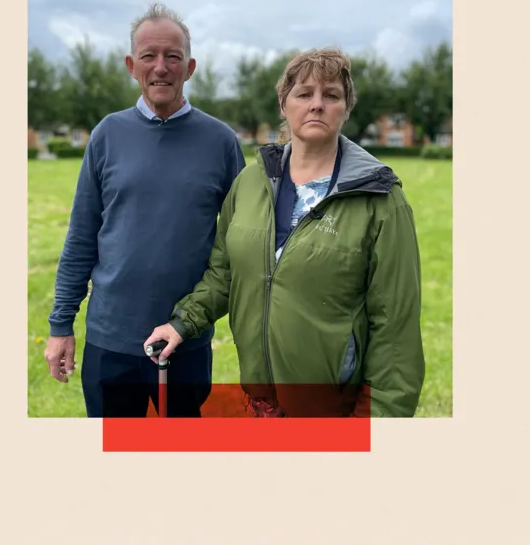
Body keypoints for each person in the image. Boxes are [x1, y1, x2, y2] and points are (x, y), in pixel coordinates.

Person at [144, 47, 425, 418]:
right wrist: (183, 322)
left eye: (332, 95)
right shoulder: (251, 181)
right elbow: (224, 273)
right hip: (263, 406)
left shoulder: (380, 198)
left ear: (346, 107)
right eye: (304, 93)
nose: (317, 105)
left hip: (333, 412)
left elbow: (396, 335)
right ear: (283, 103)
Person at [43, 3, 246, 418]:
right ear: (131, 65)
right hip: (110, 340)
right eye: (149, 56)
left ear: (189, 67)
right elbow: (82, 235)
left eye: (172, 57)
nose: (161, 67)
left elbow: (241, 241)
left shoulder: (221, 142)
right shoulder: (106, 135)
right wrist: (61, 325)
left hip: (183, 340)